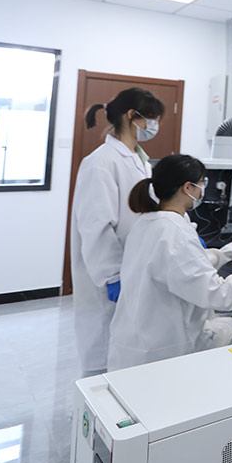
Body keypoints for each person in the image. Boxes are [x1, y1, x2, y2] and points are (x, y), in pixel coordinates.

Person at [107, 153, 232, 371]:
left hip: (131, 344)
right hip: (166, 352)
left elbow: (182, 267)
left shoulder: (146, 222)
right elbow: (220, 294)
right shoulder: (175, 232)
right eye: (202, 183)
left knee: (229, 322)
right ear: (187, 188)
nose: (202, 190)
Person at [70, 88, 165, 376]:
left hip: (134, 267)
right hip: (109, 277)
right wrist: (112, 276)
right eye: (152, 119)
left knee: (126, 357)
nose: (154, 126)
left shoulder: (140, 160)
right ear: (132, 116)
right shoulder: (100, 163)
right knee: (103, 357)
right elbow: (96, 226)